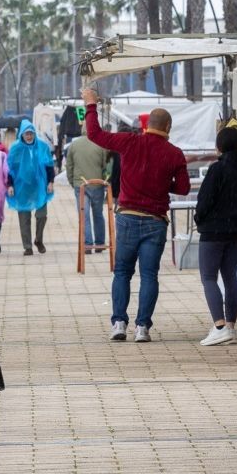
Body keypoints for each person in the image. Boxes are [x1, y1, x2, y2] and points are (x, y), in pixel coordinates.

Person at [80, 87, 189, 342]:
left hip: (127, 217)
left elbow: (94, 134)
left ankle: (119, 323)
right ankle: (142, 328)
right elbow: (183, 188)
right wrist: (163, 183)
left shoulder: (129, 142)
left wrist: (91, 105)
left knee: (122, 272)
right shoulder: (174, 153)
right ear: (168, 127)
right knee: (149, 275)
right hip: (155, 221)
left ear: (147, 125)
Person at [194, 125, 237, 346]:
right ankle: (230, 326)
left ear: (219, 146)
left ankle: (219, 326)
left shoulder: (217, 169)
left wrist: (199, 218)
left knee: (209, 277)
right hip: (235, 230)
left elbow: (205, 199)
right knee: (230, 278)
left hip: (212, 231)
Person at [6, 119, 56, 256]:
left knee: (42, 215)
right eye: (26, 133)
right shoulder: (15, 148)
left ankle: (38, 240)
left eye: (31, 133)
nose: (29, 136)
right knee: (24, 218)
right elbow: (9, 169)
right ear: (21, 134)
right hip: (22, 187)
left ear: (34, 133)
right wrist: (9, 185)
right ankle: (27, 246)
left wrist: (50, 182)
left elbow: (49, 166)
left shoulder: (42, 146)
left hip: (40, 187)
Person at [65, 128, 112, 253]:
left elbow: (69, 166)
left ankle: (87, 244)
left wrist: (72, 181)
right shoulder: (101, 144)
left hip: (81, 184)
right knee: (98, 214)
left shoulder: (74, 145)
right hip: (97, 184)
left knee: (84, 214)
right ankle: (100, 243)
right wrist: (105, 181)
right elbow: (106, 166)